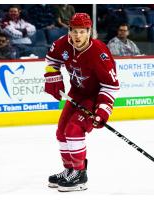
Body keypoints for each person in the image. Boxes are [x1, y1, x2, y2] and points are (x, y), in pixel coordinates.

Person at [44, 13, 119, 192]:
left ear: (89, 32)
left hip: (93, 96)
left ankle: (80, 174)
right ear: (69, 31)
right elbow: (51, 61)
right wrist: (52, 76)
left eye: (82, 32)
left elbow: (110, 86)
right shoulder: (63, 43)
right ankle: (69, 170)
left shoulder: (100, 53)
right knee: (61, 131)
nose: (77, 36)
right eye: (74, 31)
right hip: (76, 93)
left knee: (73, 130)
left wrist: (103, 110)